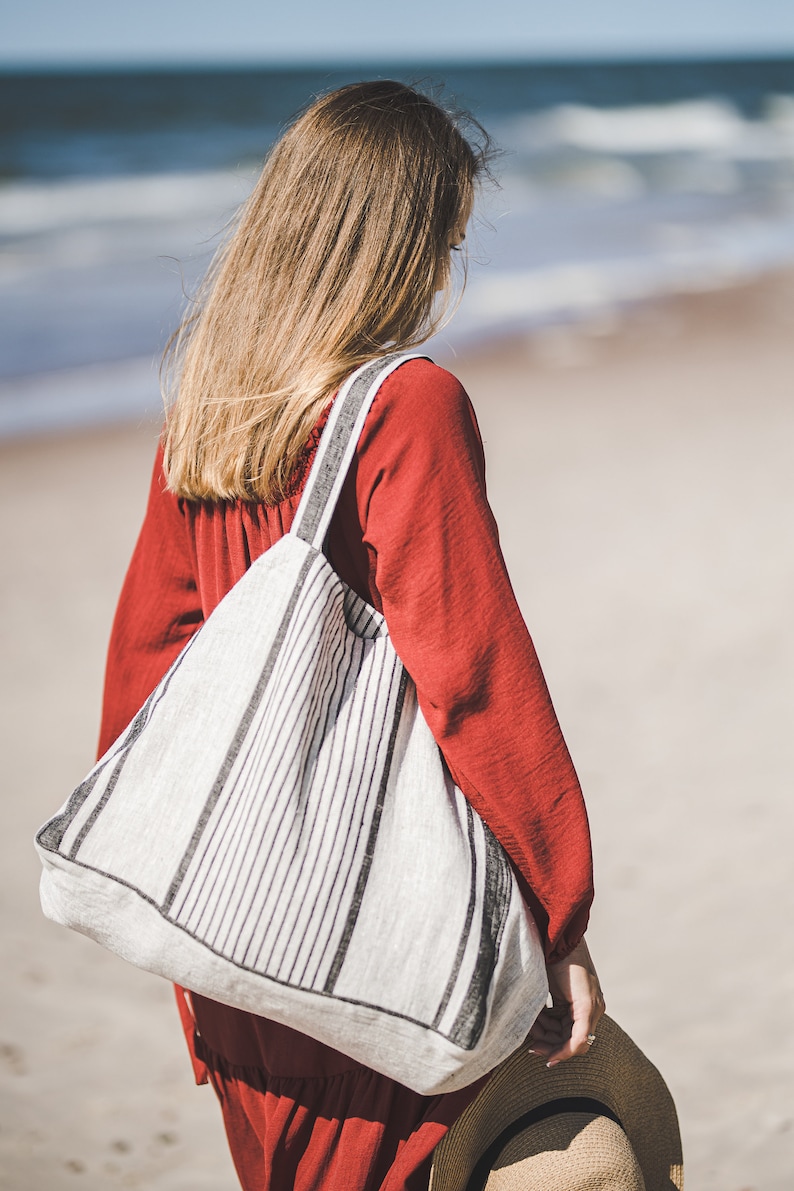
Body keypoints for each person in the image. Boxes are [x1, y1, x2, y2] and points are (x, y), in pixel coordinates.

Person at [97, 81, 604, 1191]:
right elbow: (468, 676)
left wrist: (177, 878)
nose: (441, 277)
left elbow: (143, 668)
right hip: (372, 927)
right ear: (396, 241)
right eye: (443, 242)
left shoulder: (210, 412)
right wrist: (557, 914)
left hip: (230, 928)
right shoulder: (404, 405)